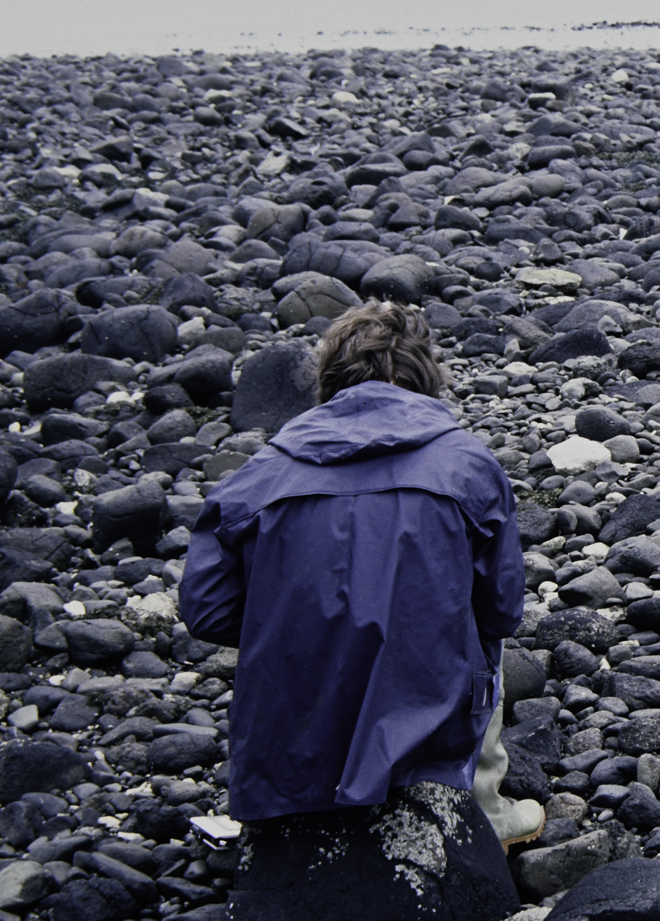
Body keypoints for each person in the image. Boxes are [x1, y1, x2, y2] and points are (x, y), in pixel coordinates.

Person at [178, 301, 542, 848]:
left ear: (329, 380)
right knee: (478, 642)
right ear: (420, 376)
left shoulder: (257, 476)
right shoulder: (467, 465)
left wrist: (302, 623)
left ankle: (293, 814)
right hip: (428, 718)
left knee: (280, 643)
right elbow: (503, 609)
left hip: (288, 726)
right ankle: (476, 811)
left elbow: (206, 610)